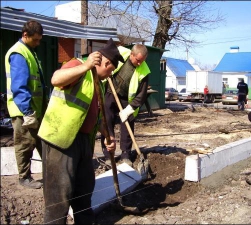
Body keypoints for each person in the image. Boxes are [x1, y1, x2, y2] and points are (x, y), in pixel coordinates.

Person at [37, 38, 123, 224]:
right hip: (60, 140)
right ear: (106, 63)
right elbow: (56, 79)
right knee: (59, 195)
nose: (110, 74)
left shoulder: (98, 83)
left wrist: (107, 136)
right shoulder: (77, 66)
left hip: (83, 142)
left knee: (84, 191)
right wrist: (85, 66)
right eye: (111, 70)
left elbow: (96, 116)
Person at [5, 20, 48, 189]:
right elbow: (19, 86)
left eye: (39, 40)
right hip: (23, 110)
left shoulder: (29, 51)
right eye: (35, 40)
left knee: (40, 142)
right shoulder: (19, 53)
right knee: (24, 143)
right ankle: (24, 177)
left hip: (34, 109)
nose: (38, 43)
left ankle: (50, 172)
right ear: (25, 35)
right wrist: (27, 111)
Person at [100, 44, 150, 166]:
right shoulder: (120, 52)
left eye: (142, 61)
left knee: (128, 124)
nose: (140, 64)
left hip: (127, 99)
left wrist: (129, 109)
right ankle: (108, 155)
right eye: (138, 60)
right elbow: (104, 57)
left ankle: (126, 155)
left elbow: (142, 94)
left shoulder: (144, 70)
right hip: (110, 92)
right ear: (131, 54)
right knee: (106, 121)